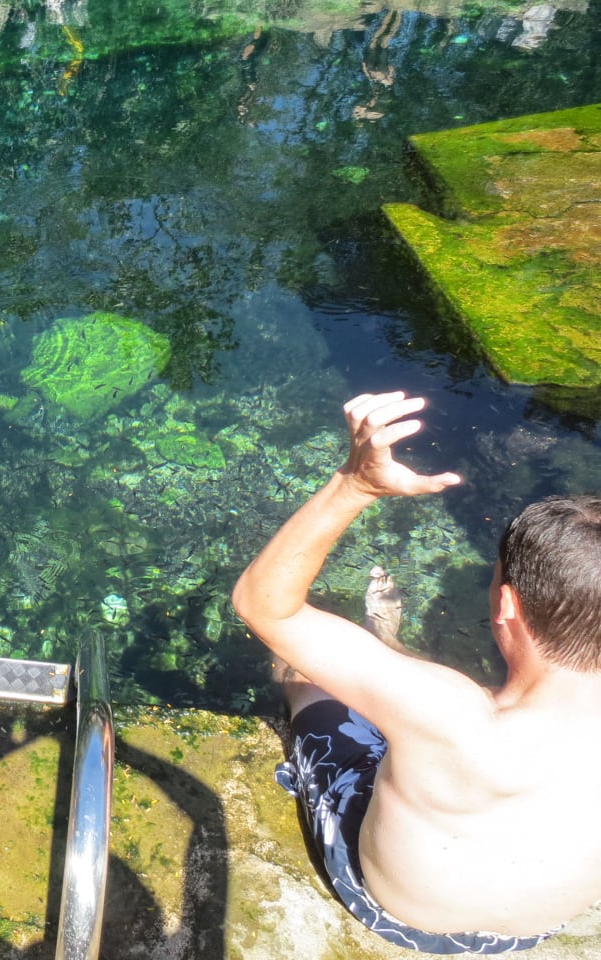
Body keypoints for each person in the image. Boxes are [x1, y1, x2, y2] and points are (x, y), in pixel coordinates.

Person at [232, 390, 601, 954]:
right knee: (424, 705)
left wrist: (355, 484)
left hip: (396, 913)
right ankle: (387, 643)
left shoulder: (449, 711)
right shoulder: (444, 708)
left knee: (300, 674)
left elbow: (265, 604)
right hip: (534, 929)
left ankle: (379, 646)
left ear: (507, 607)